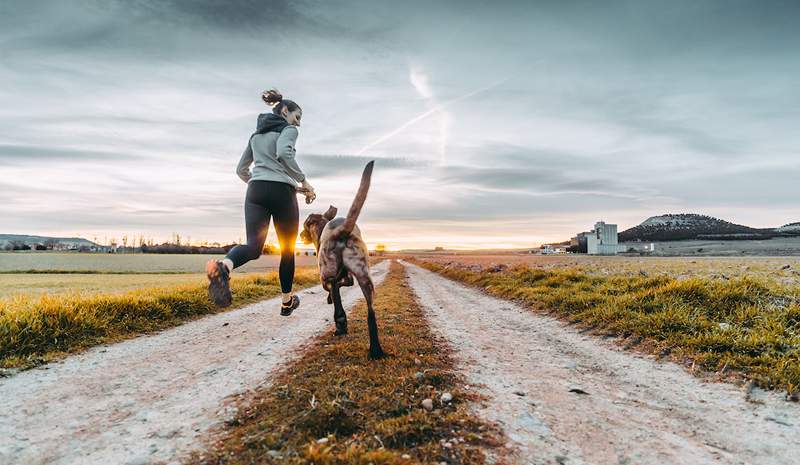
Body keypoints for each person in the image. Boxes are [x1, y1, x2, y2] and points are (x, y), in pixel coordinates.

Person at [206, 88, 315, 315]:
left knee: (253, 247)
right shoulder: (288, 130)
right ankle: (286, 302)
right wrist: (304, 182)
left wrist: (261, 182)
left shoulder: (255, 136)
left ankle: (224, 267)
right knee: (287, 249)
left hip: (255, 191)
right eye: (297, 117)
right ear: (285, 111)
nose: (298, 124)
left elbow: (241, 170)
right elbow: (284, 154)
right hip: (282, 194)